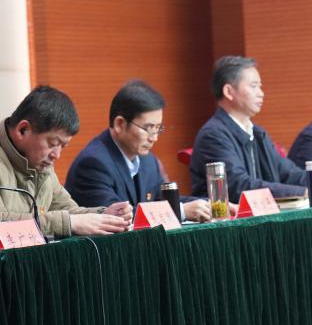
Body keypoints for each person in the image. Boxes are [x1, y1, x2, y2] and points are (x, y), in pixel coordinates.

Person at [0, 85, 133, 239]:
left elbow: (66, 209)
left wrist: (104, 215)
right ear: (23, 130)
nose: (57, 155)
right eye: (53, 144)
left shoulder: (38, 159)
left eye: (62, 146)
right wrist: (71, 223)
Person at [65, 80, 211, 221]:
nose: (154, 138)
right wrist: (181, 211)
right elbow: (117, 216)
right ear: (120, 124)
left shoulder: (148, 161)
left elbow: (163, 201)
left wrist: (207, 204)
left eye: (157, 128)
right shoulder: (93, 164)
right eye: (148, 128)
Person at [190, 56, 312, 203]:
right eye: (253, 86)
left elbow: (289, 173)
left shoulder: (257, 133)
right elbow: (238, 186)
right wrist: (301, 192)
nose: (261, 93)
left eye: (259, 86)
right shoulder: (213, 135)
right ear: (229, 91)